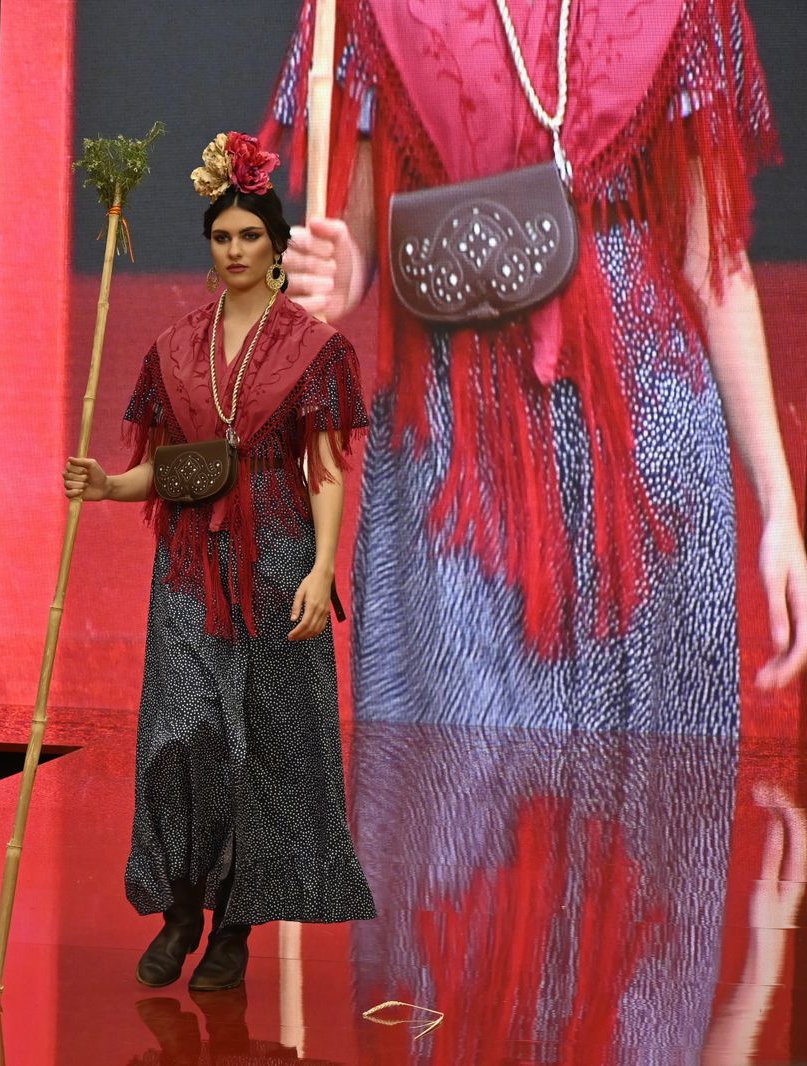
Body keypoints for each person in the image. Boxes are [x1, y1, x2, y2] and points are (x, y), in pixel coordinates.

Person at [265, 0, 807, 731]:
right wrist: (341, 274)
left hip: (648, 451)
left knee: (651, 797)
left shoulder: (682, 8)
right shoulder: (376, 10)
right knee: (444, 791)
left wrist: (779, 508)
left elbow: (716, 262)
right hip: (456, 457)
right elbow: (360, 237)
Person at [62, 133, 376, 993]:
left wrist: (321, 570)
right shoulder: (175, 346)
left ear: (275, 244)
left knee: (264, 747)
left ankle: (235, 926)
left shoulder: (315, 348)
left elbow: (325, 470)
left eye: (249, 236)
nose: (235, 250)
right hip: (190, 570)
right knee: (181, 735)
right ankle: (180, 909)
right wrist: (105, 484)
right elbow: (164, 468)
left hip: (277, 563)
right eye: (221, 237)